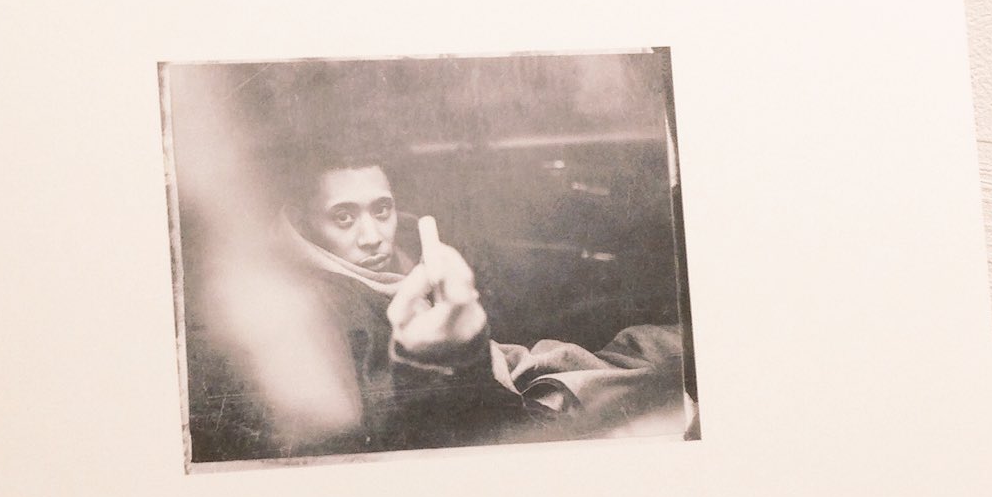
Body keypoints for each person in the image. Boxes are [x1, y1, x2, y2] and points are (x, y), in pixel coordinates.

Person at [271, 154, 688, 457]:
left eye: (382, 210)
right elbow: (432, 430)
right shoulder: (325, 311)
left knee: (653, 343)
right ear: (303, 222)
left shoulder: (415, 249)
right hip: (521, 407)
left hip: (521, 368)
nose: (372, 237)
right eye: (343, 218)